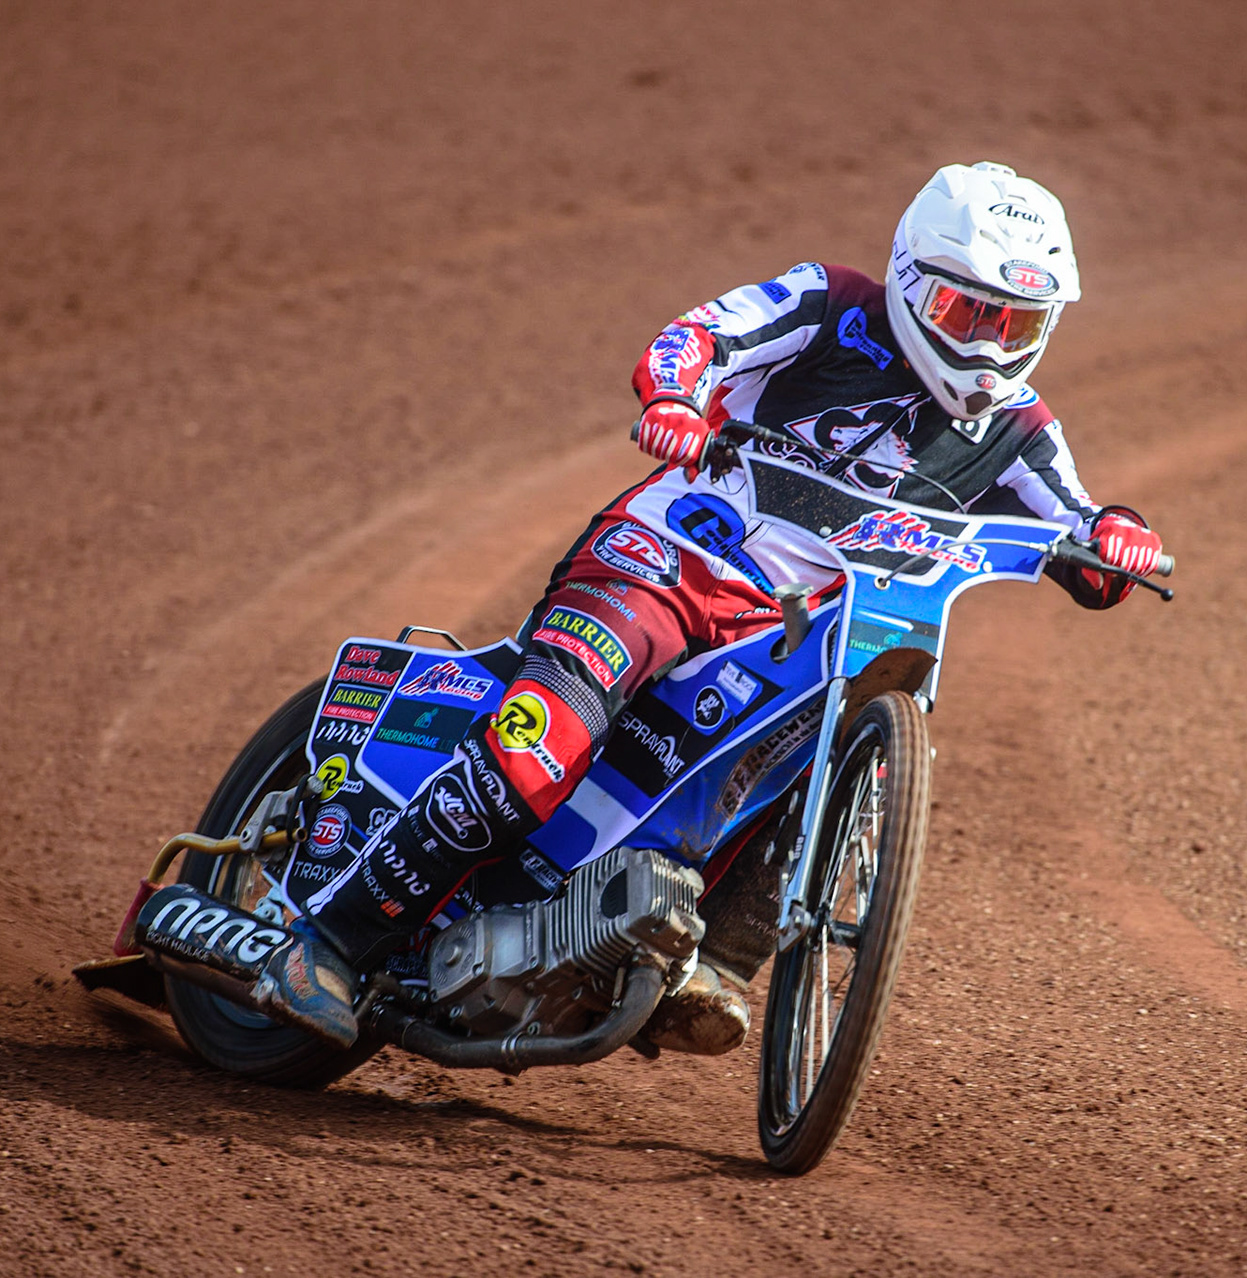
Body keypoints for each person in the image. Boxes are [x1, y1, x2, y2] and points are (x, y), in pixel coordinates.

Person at [251, 161, 1165, 1050]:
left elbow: (1081, 527)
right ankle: (324, 942)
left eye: (1020, 322)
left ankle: (713, 957)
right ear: (912, 280)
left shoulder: (1020, 431)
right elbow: (699, 337)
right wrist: (675, 399)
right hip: (664, 565)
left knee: (831, 734)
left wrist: (1118, 536)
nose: (992, 347)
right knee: (535, 752)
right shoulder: (831, 303)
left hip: (787, 633)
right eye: (970, 313)